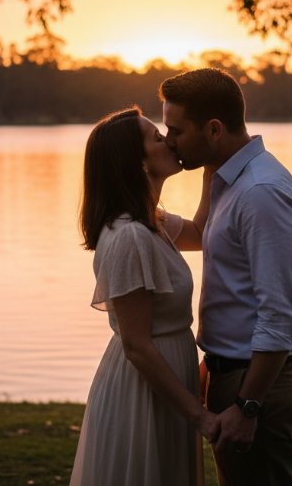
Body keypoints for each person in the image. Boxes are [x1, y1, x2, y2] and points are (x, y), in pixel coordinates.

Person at [160, 68, 292, 486]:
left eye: (175, 130)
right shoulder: (224, 174)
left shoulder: (260, 193)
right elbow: (200, 234)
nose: (168, 141)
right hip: (232, 373)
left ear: (213, 129)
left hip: (263, 385)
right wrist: (142, 214)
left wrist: (249, 406)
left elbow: (279, 316)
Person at [70, 106, 218, 486]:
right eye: (156, 137)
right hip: (144, 390)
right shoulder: (130, 236)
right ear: (138, 164)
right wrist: (199, 416)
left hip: (167, 378)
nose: (168, 140)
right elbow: (137, 345)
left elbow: (202, 232)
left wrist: (212, 161)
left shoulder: (153, 221)